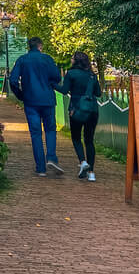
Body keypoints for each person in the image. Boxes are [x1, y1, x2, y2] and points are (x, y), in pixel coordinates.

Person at [10, 37, 63, 176]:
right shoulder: (47, 59)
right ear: (40, 46)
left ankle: (40, 168)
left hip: (30, 101)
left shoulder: (22, 60)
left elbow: (13, 80)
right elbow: (57, 77)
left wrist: (21, 95)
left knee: (36, 133)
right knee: (50, 130)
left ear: (29, 46)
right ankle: (51, 157)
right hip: (48, 100)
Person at [56, 51, 102, 182]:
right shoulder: (92, 75)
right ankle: (92, 173)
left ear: (76, 61)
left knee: (76, 138)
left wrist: (52, 85)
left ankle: (83, 162)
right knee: (89, 140)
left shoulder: (71, 74)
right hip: (92, 110)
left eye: (72, 58)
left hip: (76, 110)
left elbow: (64, 91)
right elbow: (98, 93)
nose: (71, 60)